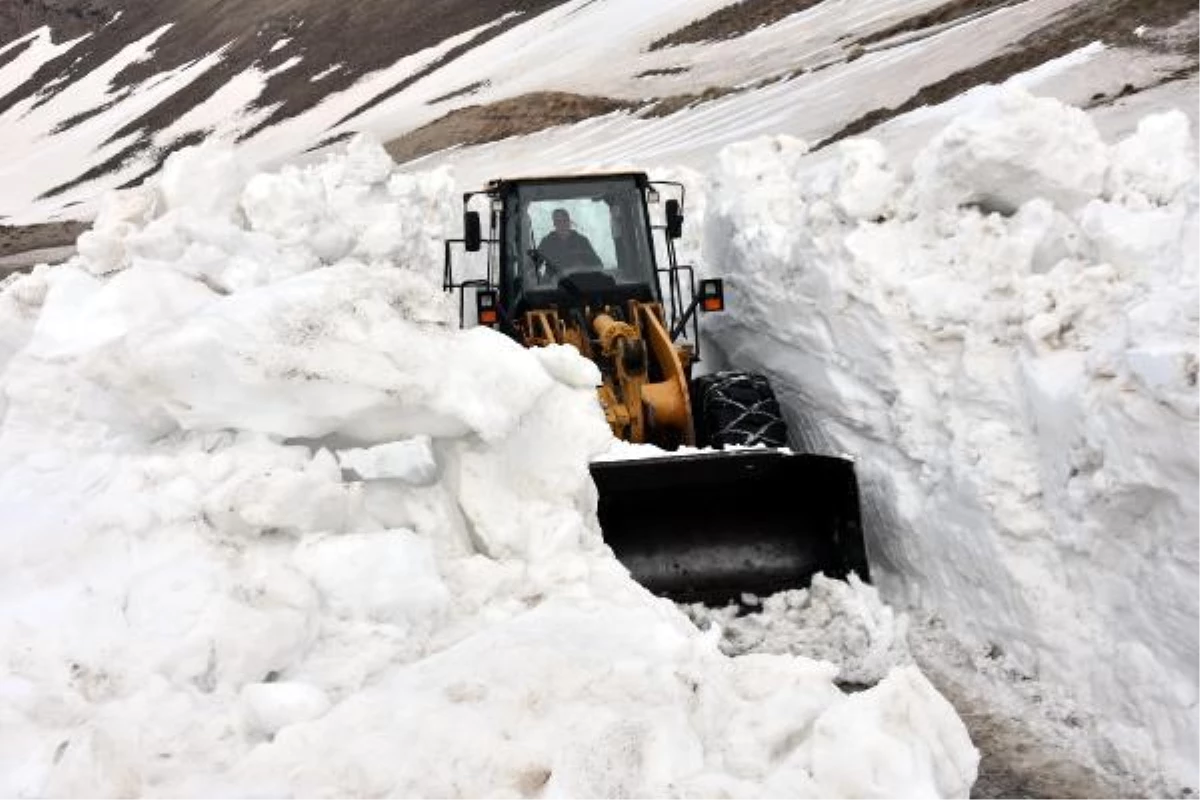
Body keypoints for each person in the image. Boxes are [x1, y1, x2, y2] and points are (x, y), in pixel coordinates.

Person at [535, 208, 602, 276]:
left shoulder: (582, 241)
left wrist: (579, 269)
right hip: (554, 284)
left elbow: (599, 266)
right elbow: (533, 267)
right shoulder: (547, 242)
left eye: (564, 220)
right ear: (554, 224)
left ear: (569, 221)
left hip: (581, 282)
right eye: (558, 221)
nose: (562, 224)